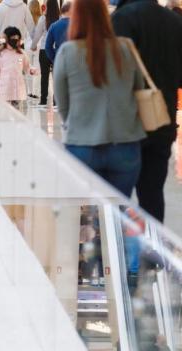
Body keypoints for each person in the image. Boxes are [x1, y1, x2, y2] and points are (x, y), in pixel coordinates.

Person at [53, 0, 146, 197]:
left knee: (88, 216)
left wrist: (78, 123)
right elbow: (139, 89)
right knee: (118, 213)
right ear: (106, 16)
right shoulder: (126, 48)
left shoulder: (67, 52)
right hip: (124, 143)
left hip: (82, 144)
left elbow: (62, 103)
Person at [112, 0, 182, 222]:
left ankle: (120, 251)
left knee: (115, 196)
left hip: (127, 123)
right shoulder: (174, 21)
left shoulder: (122, 19)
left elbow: (111, 73)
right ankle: (153, 253)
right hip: (162, 118)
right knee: (152, 194)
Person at [0, 26, 34, 109]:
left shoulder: (21, 53)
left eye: (17, 38)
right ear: (6, 39)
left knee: (18, 116)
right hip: (4, 92)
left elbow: (26, 67)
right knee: (6, 116)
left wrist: (31, 70)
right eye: (13, 38)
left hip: (18, 93)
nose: (15, 40)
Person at [30, 0, 60, 106]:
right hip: (56, 51)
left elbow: (37, 35)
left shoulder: (43, 18)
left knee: (44, 76)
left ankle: (43, 100)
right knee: (56, 76)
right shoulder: (60, 19)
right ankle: (56, 101)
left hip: (44, 50)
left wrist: (33, 46)